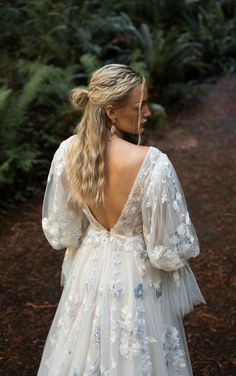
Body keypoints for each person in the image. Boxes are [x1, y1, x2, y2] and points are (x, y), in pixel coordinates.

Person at [37, 64, 206, 376]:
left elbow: (65, 233)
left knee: (86, 349)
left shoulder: (67, 153)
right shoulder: (153, 164)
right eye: (138, 106)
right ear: (112, 112)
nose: (147, 113)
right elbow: (167, 252)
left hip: (88, 270)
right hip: (138, 277)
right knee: (139, 353)